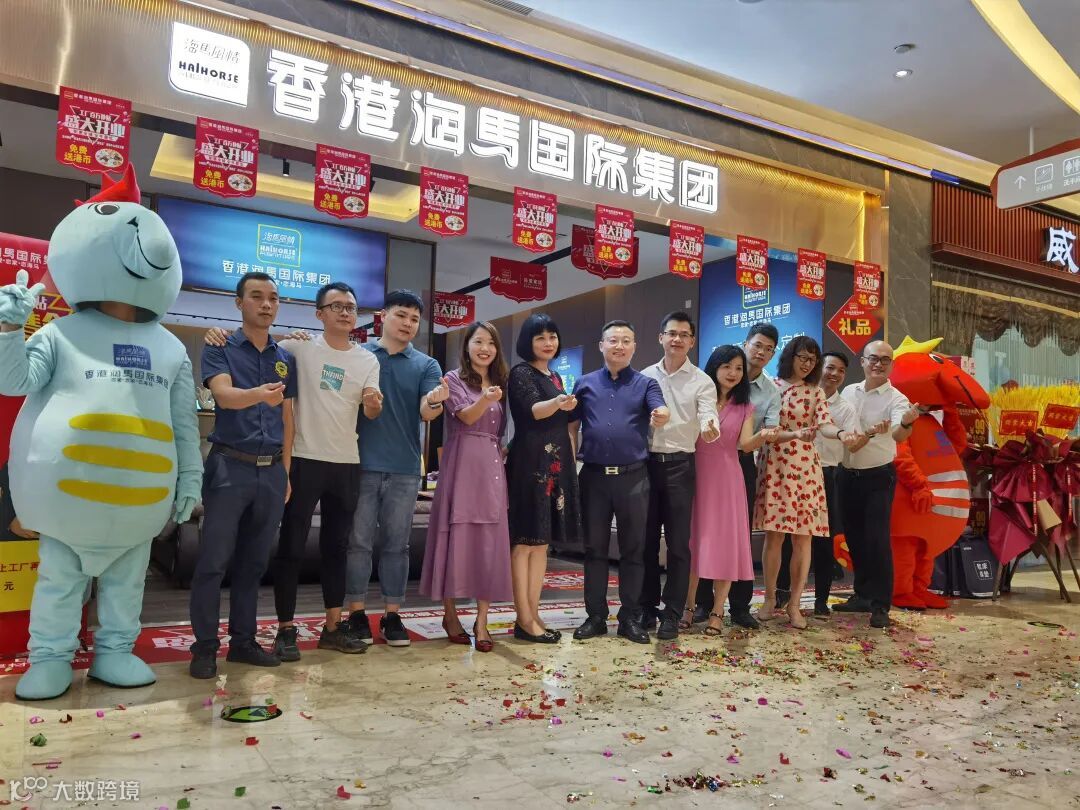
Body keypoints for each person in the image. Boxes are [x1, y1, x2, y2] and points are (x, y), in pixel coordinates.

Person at [206, 282, 384, 660]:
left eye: (351, 307)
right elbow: (261, 344)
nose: (345, 312)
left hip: (346, 461)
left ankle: (332, 627)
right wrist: (217, 332)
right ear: (319, 314)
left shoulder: (368, 360)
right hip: (302, 458)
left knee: (337, 547)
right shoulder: (296, 348)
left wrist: (373, 403)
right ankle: (285, 629)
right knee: (290, 546)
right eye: (336, 306)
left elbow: (371, 411)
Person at [189, 272, 297, 679]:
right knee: (214, 562)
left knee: (253, 564)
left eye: (273, 298)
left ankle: (243, 642)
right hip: (229, 467)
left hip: (271, 471)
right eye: (256, 297)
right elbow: (223, 395)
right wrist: (258, 395)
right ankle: (204, 647)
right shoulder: (220, 346)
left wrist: (287, 470)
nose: (266, 304)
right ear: (239, 303)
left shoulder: (284, 356)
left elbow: (288, 417)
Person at [344, 290, 446, 647]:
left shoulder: (427, 365)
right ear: (383, 316)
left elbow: (427, 410)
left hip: (405, 469)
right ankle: (356, 614)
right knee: (357, 543)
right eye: (401, 315)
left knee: (397, 545)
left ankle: (392, 615)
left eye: (414, 319)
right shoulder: (359, 356)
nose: (408, 323)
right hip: (359, 465)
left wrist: (435, 402)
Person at [569, 320, 669, 644]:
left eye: (626, 340)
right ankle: (596, 617)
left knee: (634, 551)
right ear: (602, 345)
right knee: (594, 550)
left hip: (634, 478)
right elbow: (571, 427)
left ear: (634, 347)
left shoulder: (646, 384)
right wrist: (569, 466)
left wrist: (661, 415)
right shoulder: (584, 384)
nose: (620, 346)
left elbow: (661, 409)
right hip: (594, 478)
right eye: (613, 340)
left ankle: (630, 618)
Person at [420, 322, 512, 652]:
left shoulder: (500, 382)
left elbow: (499, 431)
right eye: (478, 342)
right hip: (460, 466)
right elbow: (468, 417)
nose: (485, 348)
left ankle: (482, 621)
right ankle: (450, 615)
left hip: (491, 466)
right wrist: (485, 399)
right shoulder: (453, 378)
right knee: (453, 535)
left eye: (491, 343)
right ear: (467, 346)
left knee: (489, 541)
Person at [753, 336, 847, 630]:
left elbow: (825, 424)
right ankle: (770, 599)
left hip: (806, 467)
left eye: (812, 360)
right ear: (790, 357)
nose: (807, 364)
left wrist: (840, 433)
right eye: (803, 358)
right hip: (776, 464)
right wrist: (795, 434)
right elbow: (766, 429)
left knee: (803, 538)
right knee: (775, 536)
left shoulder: (816, 392)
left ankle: (794, 604)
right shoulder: (771, 387)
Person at [694, 323, 781, 631]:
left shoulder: (765, 394)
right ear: (746, 344)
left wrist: (766, 435)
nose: (761, 352)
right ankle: (698, 604)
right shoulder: (701, 391)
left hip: (736, 466)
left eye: (769, 349)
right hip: (699, 469)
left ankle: (735, 608)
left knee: (732, 538)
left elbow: (749, 442)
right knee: (699, 536)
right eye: (757, 345)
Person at [638, 311, 717, 641]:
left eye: (684, 335)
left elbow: (708, 413)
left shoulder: (702, 381)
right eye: (672, 333)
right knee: (644, 542)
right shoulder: (643, 377)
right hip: (644, 465)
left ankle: (672, 613)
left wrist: (710, 426)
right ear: (661, 338)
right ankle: (645, 608)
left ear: (692, 341)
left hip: (680, 466)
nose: (677, 339)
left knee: (678, 544)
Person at [505, 313, 581, 644]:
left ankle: (533, 615)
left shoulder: (555, 376)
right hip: (530, 463)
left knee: (542, 545)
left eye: (552, 336)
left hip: (555, 464)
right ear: (528, 342)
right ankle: (523, 618)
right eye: (540, 338)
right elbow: (534, 411)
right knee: (524, 542)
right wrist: (558, 402)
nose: (548, 343)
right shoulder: (521, 373)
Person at [835, 340, 921, 629]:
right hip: (847, 474)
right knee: (854, 538)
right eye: (873, 358)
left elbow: (898, 434)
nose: (878, 364)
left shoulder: (897, 399)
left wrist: (906, 423)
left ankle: (881, 605)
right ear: (862, 361)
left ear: (891, 365)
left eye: (885, 360)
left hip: (877, 477)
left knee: (877, 540)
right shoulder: (849, 391)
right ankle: (862, 595)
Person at [775, 351, 860, 615]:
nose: (834, 374)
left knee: (823, 540)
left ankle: (821, 600)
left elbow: (850, 440)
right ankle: (780, 594)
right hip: (791, 471)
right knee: (785, 535)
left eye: (841, 371)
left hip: (826, 474)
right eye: (830, 367)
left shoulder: (844, 408)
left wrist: (851, 436)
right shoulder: (792, 392)